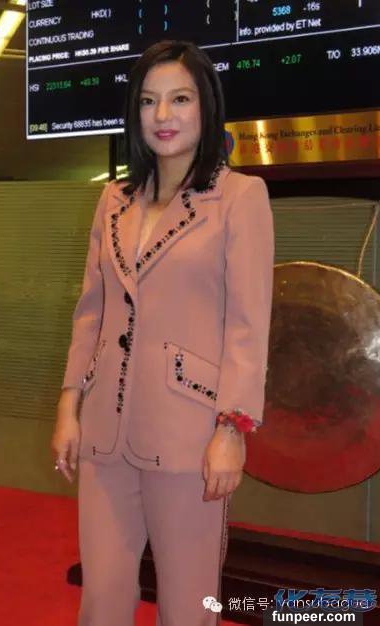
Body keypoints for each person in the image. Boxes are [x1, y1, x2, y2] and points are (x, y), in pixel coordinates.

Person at [51, 39, 274, 626]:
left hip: (189, 436)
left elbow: (248, 325)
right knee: (101, 598)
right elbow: (91, 312)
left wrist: (232, 428)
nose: (163, 115)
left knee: (186, 605)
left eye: (180, 99)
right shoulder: (113, 200)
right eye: (149, 101)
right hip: (105, 432)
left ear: (206, 107)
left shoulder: (240, 198)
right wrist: (69, 405)